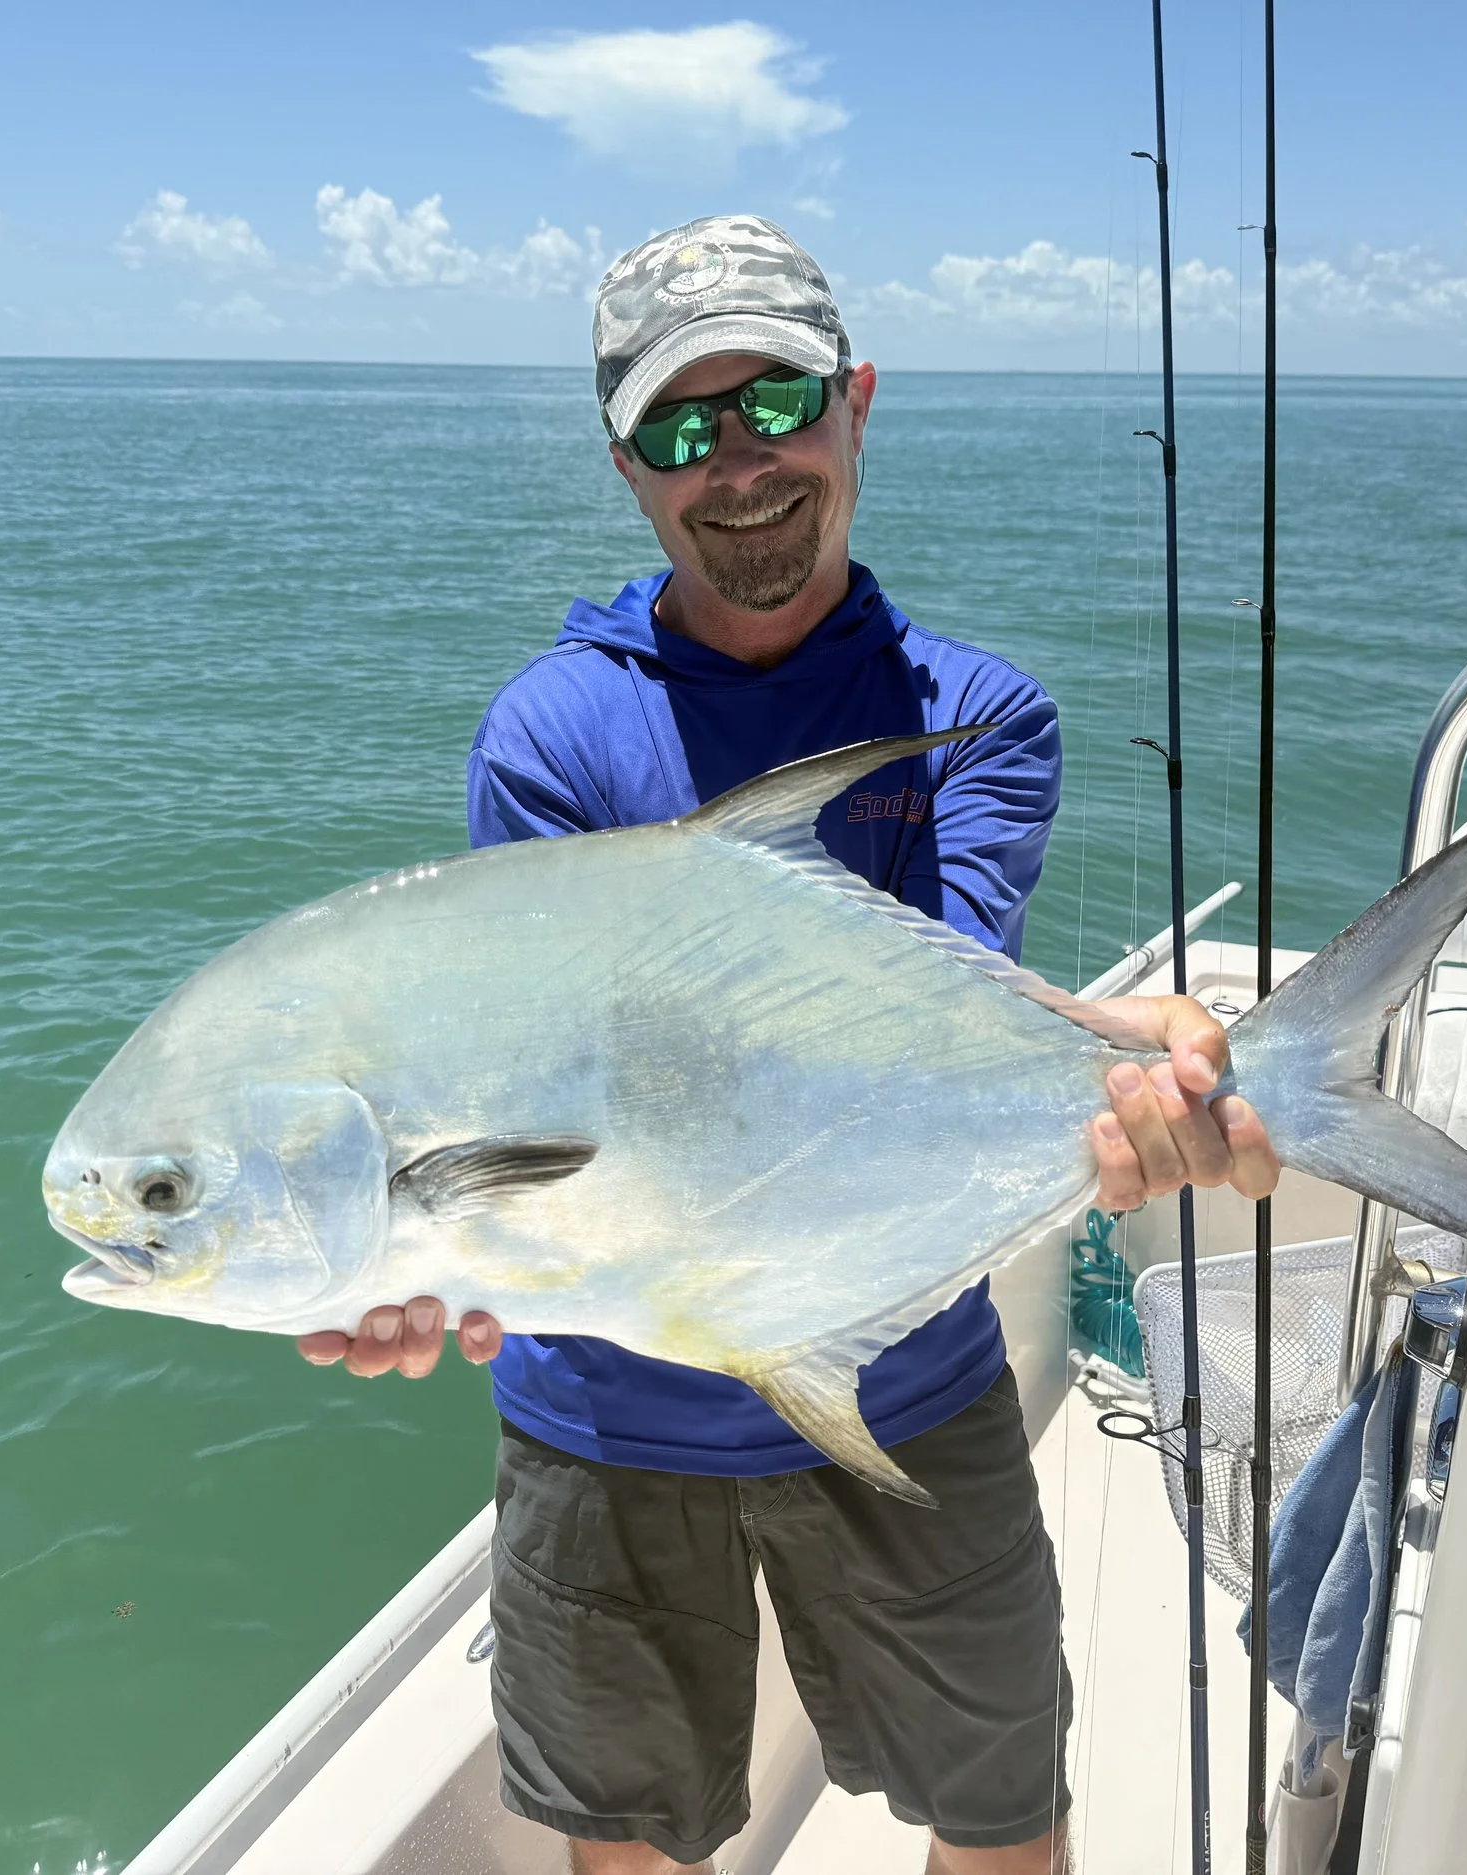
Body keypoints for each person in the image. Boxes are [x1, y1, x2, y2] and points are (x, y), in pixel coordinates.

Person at [300, 215, 1279, 1875]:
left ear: (860, 402)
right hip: (603, 1418)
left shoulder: (983, 715)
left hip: (912, 1377)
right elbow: (536, 1069)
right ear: (627, 464)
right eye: (683, 428)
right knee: (629, 1849)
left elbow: (941, 1020)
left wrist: (1132, 1060)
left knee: (1005, 1822)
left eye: (780, 405)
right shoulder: (554, 731)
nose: (738, 463)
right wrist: (417, 1238)